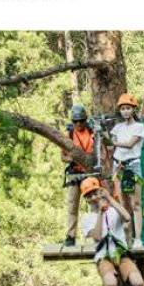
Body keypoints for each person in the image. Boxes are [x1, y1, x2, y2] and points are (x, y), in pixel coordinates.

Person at [109, 92, 144, 242]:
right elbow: (111, 142)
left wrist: (113, 143)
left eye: (128, 108)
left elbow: (130, 144)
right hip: (118, 166)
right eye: (123, 108)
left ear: (133, 110)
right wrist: (110, 142)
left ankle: (137, 238)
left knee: (135, 203)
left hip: (133, 166)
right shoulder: (117, 128)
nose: (125, 111)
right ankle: (127, 237)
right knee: (123, 203)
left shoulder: (139, 127)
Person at [61, 102, 95, 246]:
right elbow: (63, 157)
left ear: (85, 120)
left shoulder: (92, 132)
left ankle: (95, 235)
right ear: (72, 121)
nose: (79, 124)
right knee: (72, 206)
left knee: (94, 204)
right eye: (76, 121)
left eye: (82, 120)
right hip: (74, 173)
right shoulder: (68, 134)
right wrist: (74, 158)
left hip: (89, 172)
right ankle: (70, 236)